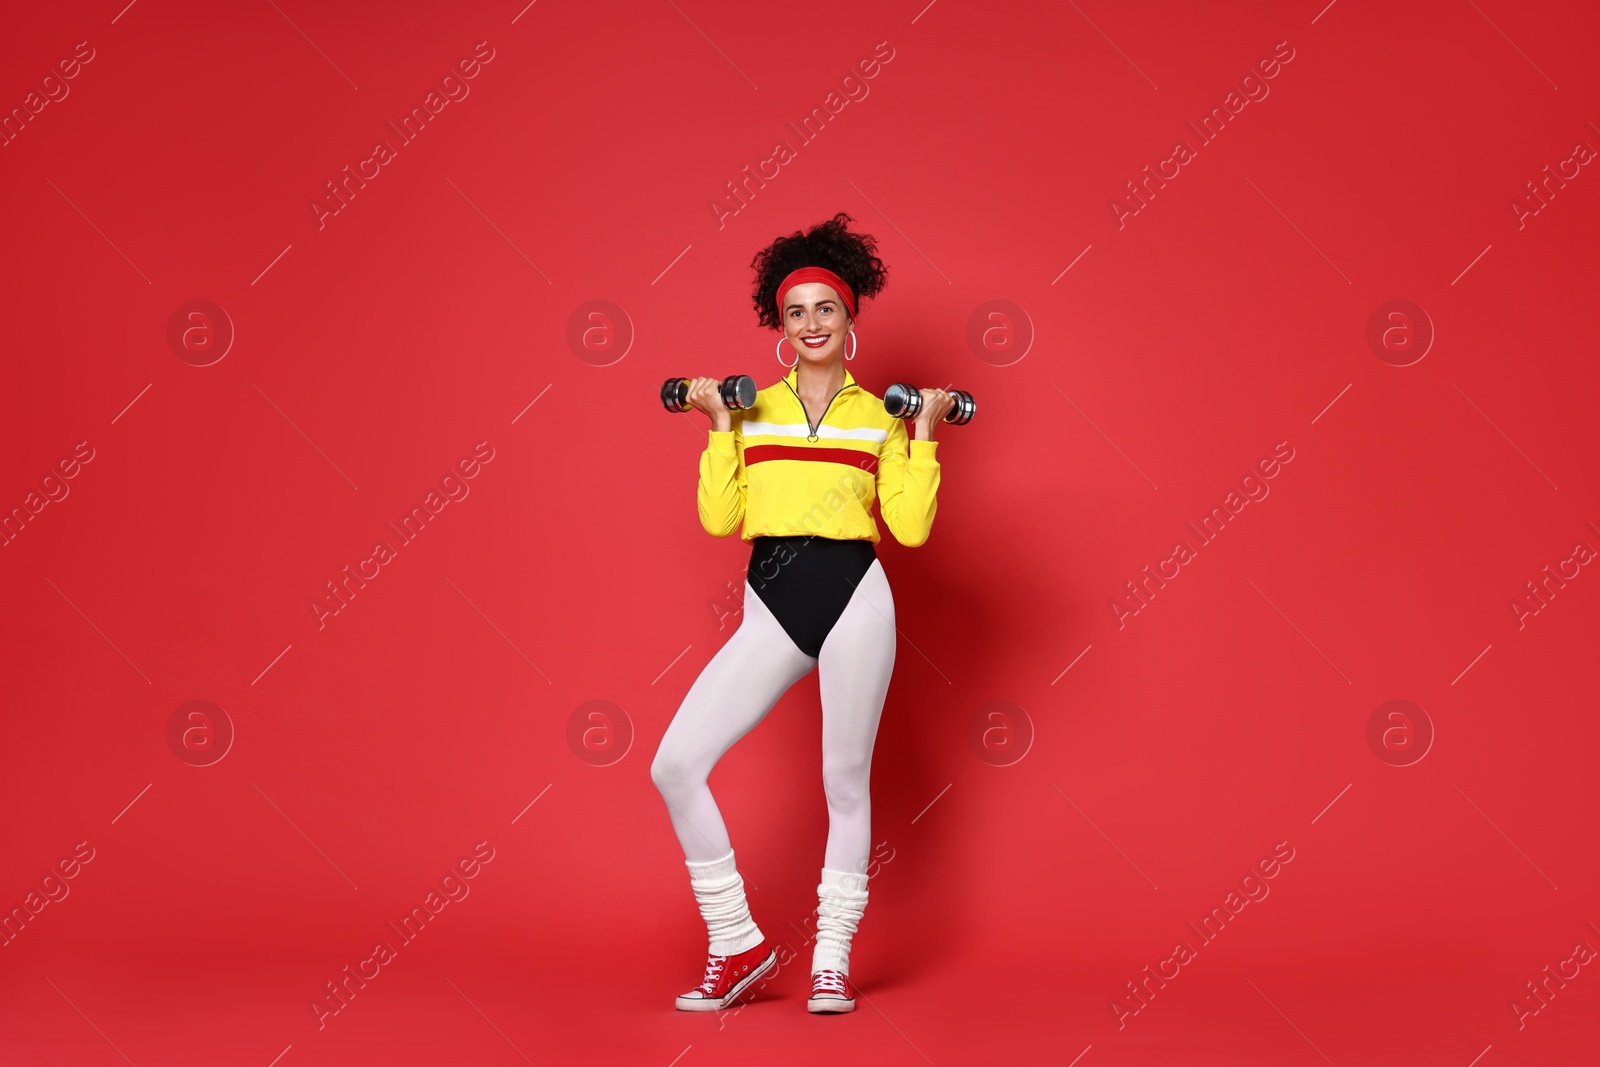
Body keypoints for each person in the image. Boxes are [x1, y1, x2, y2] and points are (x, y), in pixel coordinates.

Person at [650, 212, 955, 1015]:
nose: (812, 323)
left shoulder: (879, 417)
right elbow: (721, 520)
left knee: (843, 781)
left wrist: (922, 432)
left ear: (851, 319)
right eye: (796, 311)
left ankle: (830, 959)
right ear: (779, 327)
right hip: (772, 603)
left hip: (856, 596)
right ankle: (736, 941)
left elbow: (912, 529)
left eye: (827, 308)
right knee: (675, 763)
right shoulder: (751, 410)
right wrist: (718, 424)